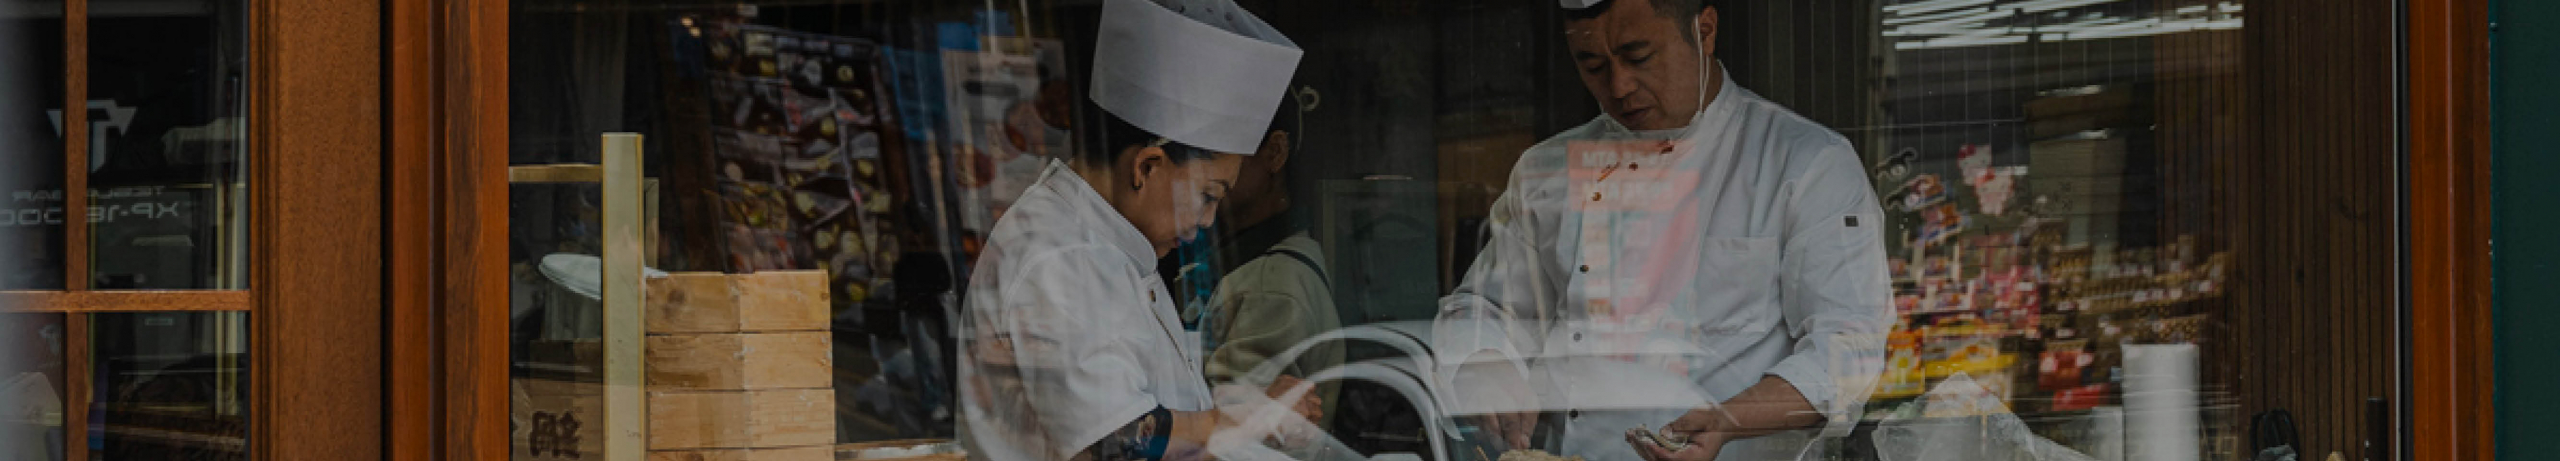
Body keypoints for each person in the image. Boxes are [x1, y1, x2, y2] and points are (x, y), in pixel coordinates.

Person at [1431, 0, 1894, 460]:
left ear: (1704, 31)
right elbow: (1483, 306)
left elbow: (1849, 348)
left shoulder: (1806, 163)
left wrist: (1727, 421)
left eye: (1639, 57)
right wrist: (1484, 362)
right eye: (1593, 66)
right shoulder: (1549, 171)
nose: (1619, 86)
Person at [954, 0, 1323, 460]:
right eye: (1208, 195)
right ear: (1147, 167)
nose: (1208, 220)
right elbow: (1119, 441)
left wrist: (1245, 410)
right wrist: (1247, 419)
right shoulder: (1061, 256)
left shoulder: (1110, 244)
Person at [1201, 86, 1343, 426]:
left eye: (1216, 148)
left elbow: (1248, 436)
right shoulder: (1268, 266)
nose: (1200, 168)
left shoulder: (1268, 284)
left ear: (1275, 152)